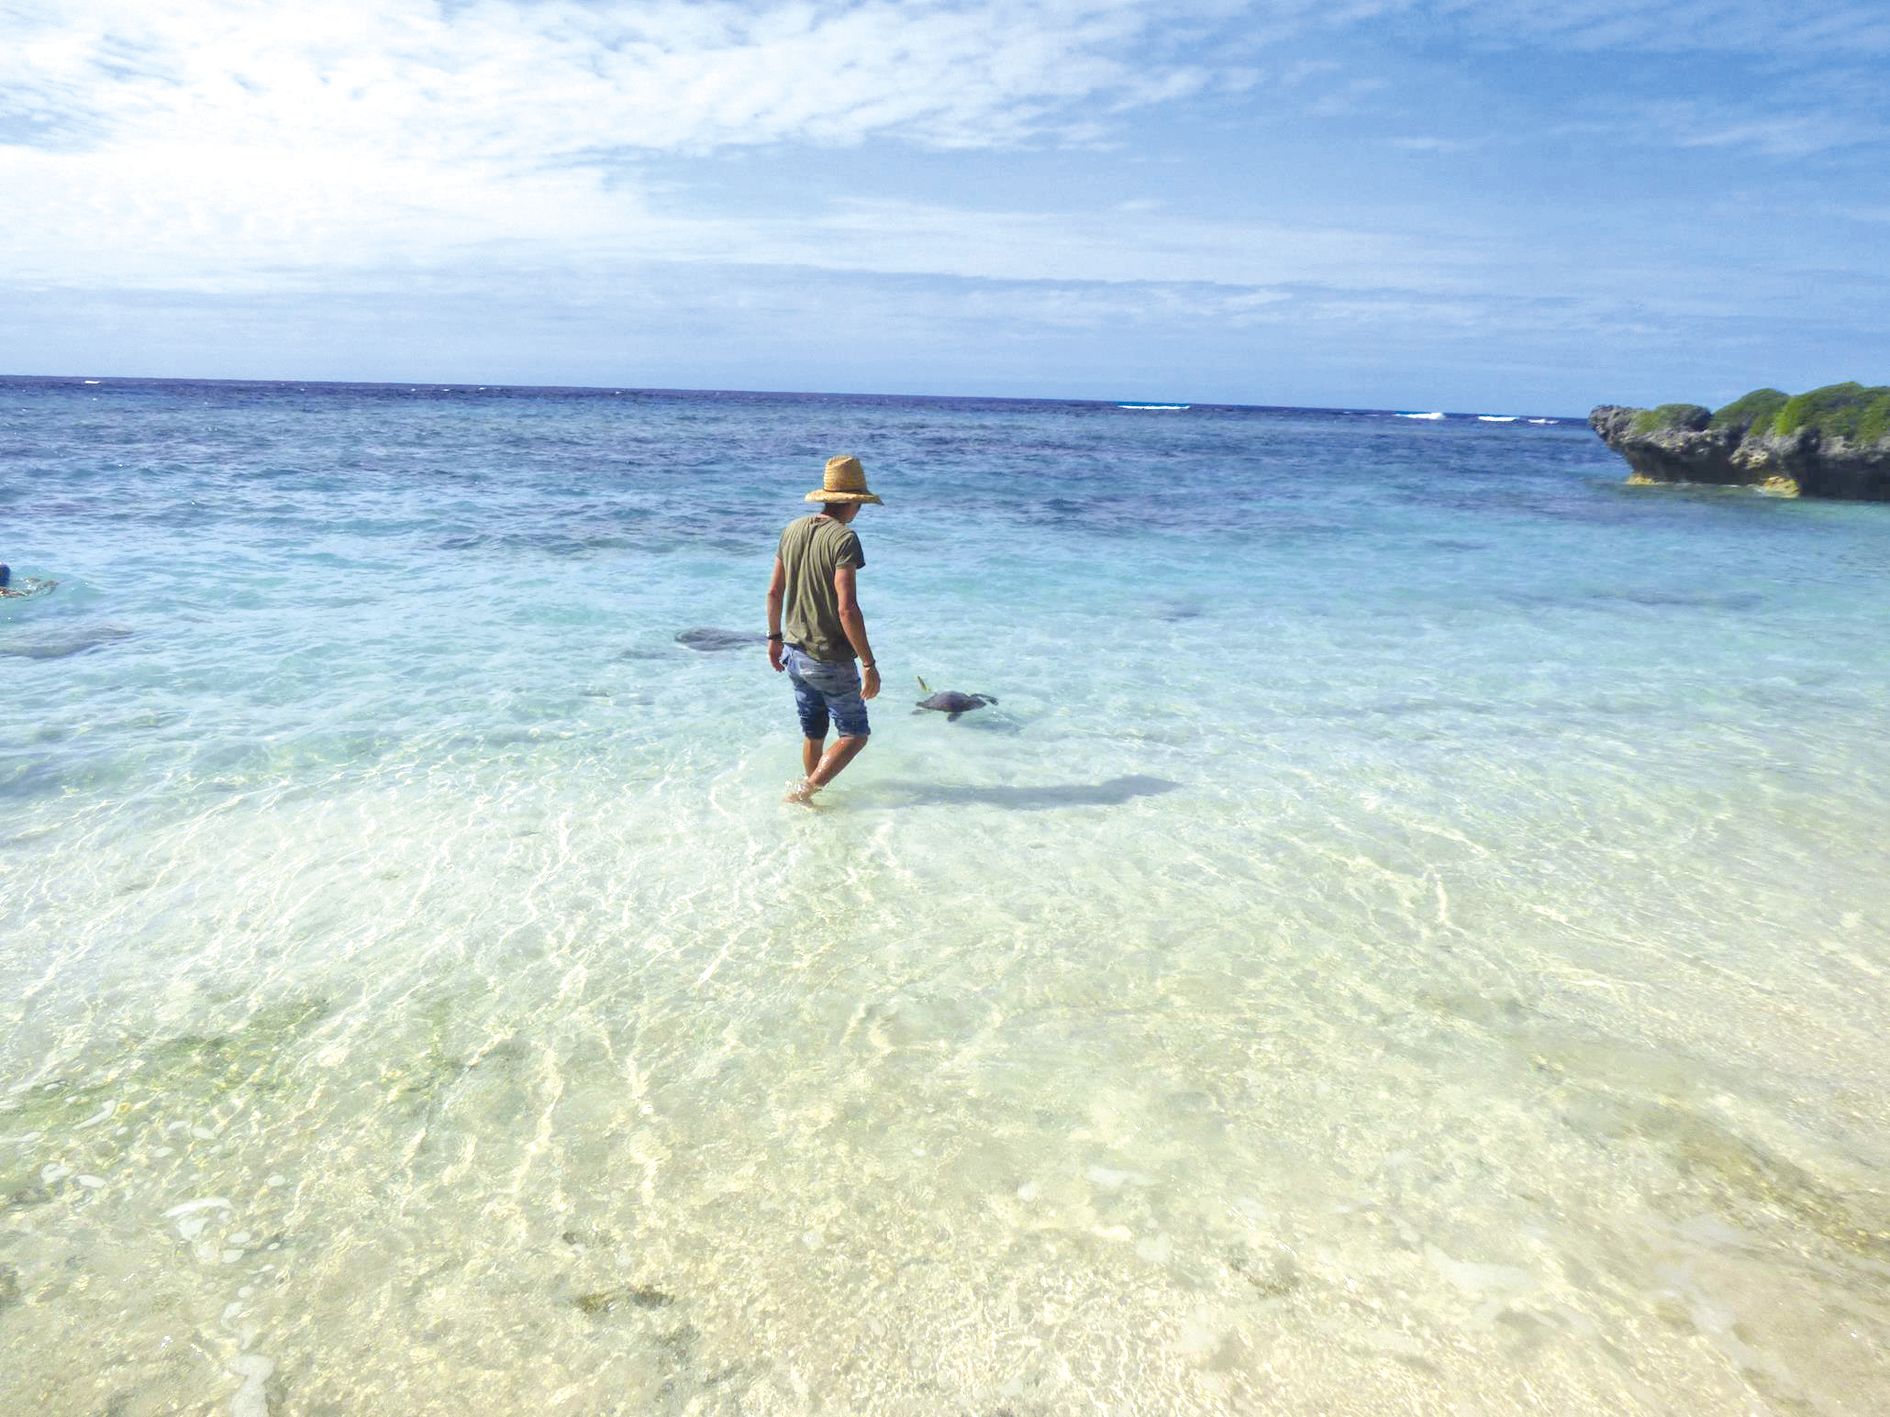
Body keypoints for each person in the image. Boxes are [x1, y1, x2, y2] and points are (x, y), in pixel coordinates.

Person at [767, 455, 883, 803]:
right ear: (853, 502)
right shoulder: (845, 539)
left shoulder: (792, 529)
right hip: (829, 657)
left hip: (793, 652)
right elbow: (847, 608)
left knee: (814, 733)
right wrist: (868, 663)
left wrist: (774, 639)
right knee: (855, 734)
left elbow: (774, 592)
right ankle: (803, 793)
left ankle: (809, 798)